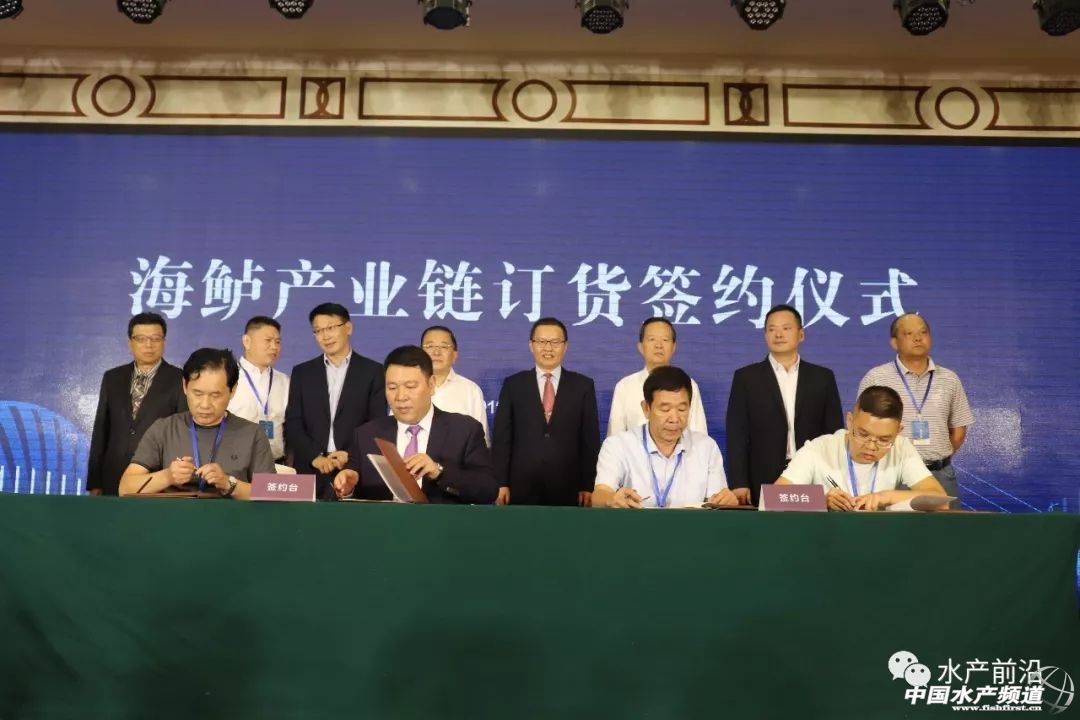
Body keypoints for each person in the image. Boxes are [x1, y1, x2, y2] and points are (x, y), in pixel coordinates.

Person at [332, 345, 496, 504]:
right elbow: (352, 487)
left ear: (431, 385)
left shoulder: (464, 430)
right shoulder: (366, 434)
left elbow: (487, 489)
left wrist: (438, 472)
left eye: (410, 386)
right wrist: (348, 487)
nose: (400, 397)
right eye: (392, 387)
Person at [725, 304, 844, 505]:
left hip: (813, 473)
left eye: (786, 328)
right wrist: (739, 482)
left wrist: (835, 478)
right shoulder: (746, 378)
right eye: (772, 329)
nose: (778, 334)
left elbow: (834, 433)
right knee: (767, 525)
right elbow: (737, 433)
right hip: (762, 474)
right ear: (765, 335)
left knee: (812, 523)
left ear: (801, 334)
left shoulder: (822, 378)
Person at [118, 348, 276, 499]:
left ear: (232, 390)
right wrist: (167, 477)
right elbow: (125, 488)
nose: (205, 405)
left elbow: (273, 493)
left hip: (232, 517)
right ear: (185, 386)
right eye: (197, 393)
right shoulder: (163, 429)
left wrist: (229, 484)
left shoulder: (252, 434)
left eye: (215, 395)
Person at [857, 313, 974, 507]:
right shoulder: (876, 378)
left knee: (947, 526)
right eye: (909, 333)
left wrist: (934, 457)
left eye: (923, 332)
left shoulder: (949, 379)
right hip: (892, 475)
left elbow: (958, 430)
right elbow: (862, 427)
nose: (918, 338)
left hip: (940, 474)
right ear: (894, 343)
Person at [775, 386, 947, 511]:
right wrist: (820, 500)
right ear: (850, 421)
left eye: (884, 440)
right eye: (863, 435)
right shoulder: (818, 449)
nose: (871, 446)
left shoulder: (901, 448)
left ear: (898, 432)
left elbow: (941, 501)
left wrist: (886, 497)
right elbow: (774, 498)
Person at [594, 366, 739, 509]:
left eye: (682, 409)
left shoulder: (707, 447)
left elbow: (716, 503)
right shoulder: (618, 445)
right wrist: (611, 498)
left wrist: (726, 501)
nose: (674, 418)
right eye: (665, 409)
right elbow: (600, 494)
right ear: (646, 408)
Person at [492, 317, 601, 506]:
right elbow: (502, 438)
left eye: (555, 342)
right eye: (542, 342)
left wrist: (588, 484)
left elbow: (589, 440)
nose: (548, 348)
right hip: (520, 485)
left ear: (565, 346)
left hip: (569, 486)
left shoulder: (583, 386)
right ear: (531, 345)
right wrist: (501, 482)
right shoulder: (514, 384)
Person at [284, 302, 386, 500]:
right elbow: (294, 423)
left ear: (348, 328)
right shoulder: (302, 373)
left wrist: (350, 455)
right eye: (318, 330)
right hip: (310, 470)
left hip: (353, 471)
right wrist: (315, 457)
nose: (325, 336)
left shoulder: (372, 371)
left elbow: (376, 424)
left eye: (330, 328)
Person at [86, 312, 187, 496]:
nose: (148, 345)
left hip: (156, 478)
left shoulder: (179, 379)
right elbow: (101, 431)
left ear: (164, 342)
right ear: (130, 343)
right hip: (112, 475)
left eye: (155, 339)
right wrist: (95, 482)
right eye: (141, 339)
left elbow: (181, 433)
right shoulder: (112, 378)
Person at [607, 317, 708, 436]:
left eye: (665, 340)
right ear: (640, 347)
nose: (658, 345)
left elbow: (699, 435)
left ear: (673, 347)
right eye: (652, 339)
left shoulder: (687, 385)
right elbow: (614, 436)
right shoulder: (625, 386)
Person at [227, 316, 290, 463]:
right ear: (247, 342)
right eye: (268, 340)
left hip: (276, 463)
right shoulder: (227, 377)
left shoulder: (285, 381)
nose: (274, 347)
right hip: (234, 464)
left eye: (277, 342)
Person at [420, 325, 490, 445]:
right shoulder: (407, 387)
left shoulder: (470, 390)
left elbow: (481, 441)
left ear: (455, 355)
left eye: (444, 346)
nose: (436, 352)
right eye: (430, 346)